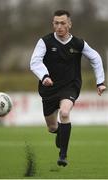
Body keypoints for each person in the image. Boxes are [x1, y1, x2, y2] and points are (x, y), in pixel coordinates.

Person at [30, 9, 106, 167]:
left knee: (65, 113)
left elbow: (96, 58)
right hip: (49, 87)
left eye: (63, 23)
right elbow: (35, 61)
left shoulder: (78, 43)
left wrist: (100, 82)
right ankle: (60, 133)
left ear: (69, 24)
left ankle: (63, 155)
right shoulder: (45, 41)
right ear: (53, 24)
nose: (59, 26)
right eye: (56, 23)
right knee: (52, 127)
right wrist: (44, 76)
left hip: (70, 86)